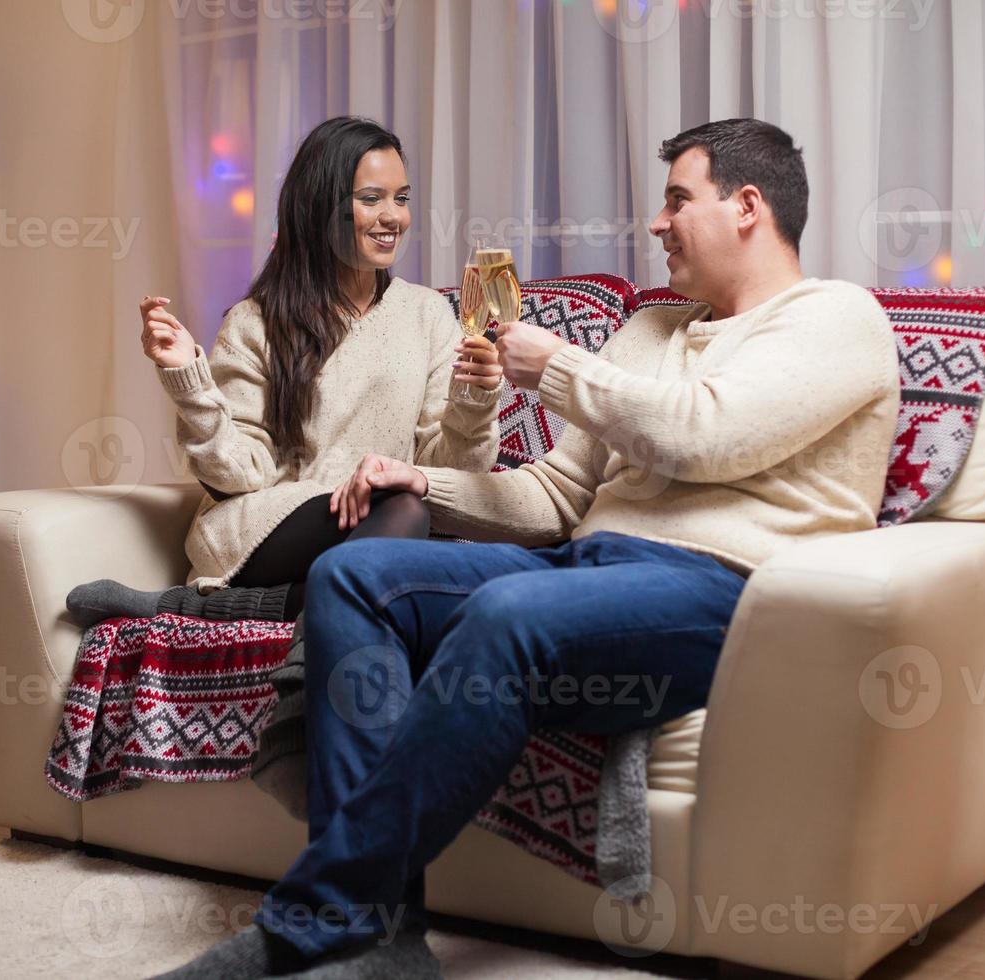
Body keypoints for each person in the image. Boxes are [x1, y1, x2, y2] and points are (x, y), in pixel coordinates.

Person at [152, 117, 904, 980]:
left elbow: (704, 435)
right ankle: (388, 944)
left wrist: (557, 367)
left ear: (746, 206)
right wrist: (419, 483)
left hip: (723, 595)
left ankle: (311, 922)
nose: (657, 224)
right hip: (583, 571)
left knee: (510, 610)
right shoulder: (650, 330)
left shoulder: (837, 318)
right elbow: (551, 496)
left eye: (675, 202)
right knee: (357, 574)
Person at [67, 117, 503, 627]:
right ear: (322, 208)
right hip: (266, 526)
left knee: (407, 516)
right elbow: (238, 474)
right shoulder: (256, 320)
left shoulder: (428, 314)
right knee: (401, 510)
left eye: (402, 199)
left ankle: (203, 611)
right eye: (371, 198)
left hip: (383, 524)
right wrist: (189, 380)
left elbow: (451, 471)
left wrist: (474, 398)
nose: (393, 217)